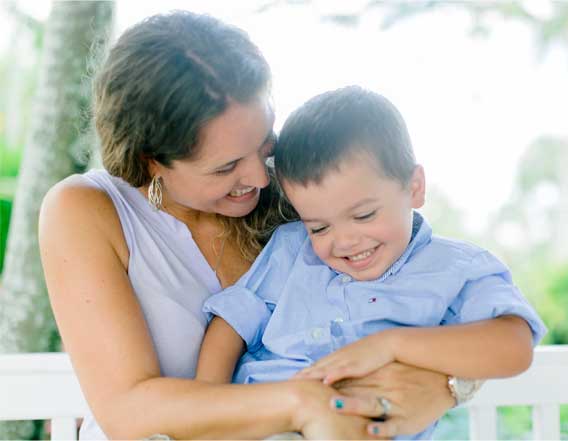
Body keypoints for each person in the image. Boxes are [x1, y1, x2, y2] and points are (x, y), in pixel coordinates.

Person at [38, 10, 538, 440]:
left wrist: (444, 386)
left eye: (265, 145)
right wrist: (302, 402)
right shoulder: (86, 210)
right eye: (226, 167)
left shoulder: (312, 202)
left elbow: (423, 290)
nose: (259, 177)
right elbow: (128, 409)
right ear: (152, 163)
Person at [198, 86, 547, 439]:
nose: (345, 241)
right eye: (319, 227)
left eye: (363, 215)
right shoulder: (292, 249)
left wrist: (391, 344)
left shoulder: (455, 267)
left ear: (414, 187)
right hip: (263, 421)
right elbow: (234, 322)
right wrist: (206, 407)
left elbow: (515, 346)